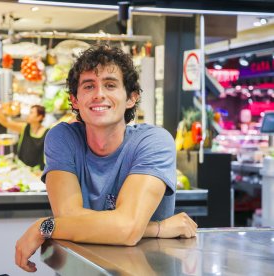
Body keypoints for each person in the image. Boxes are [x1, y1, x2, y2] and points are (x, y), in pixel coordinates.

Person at [15, 45, 198, 272]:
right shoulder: (62, 138)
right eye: (89, 86)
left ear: (131, 97)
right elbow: (69, 217)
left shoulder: (154, 141)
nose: (99, 94)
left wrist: (45, 226)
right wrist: (156, 228)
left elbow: (127, 228)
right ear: (75, 100)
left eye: (110, 85)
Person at [0, 103, 49, 170]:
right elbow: (6, 122)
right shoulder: (25, 127)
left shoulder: (48, 133)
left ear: (39, 117)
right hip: (22, 168)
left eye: (31, 113)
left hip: (38, 172)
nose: (28, 115)